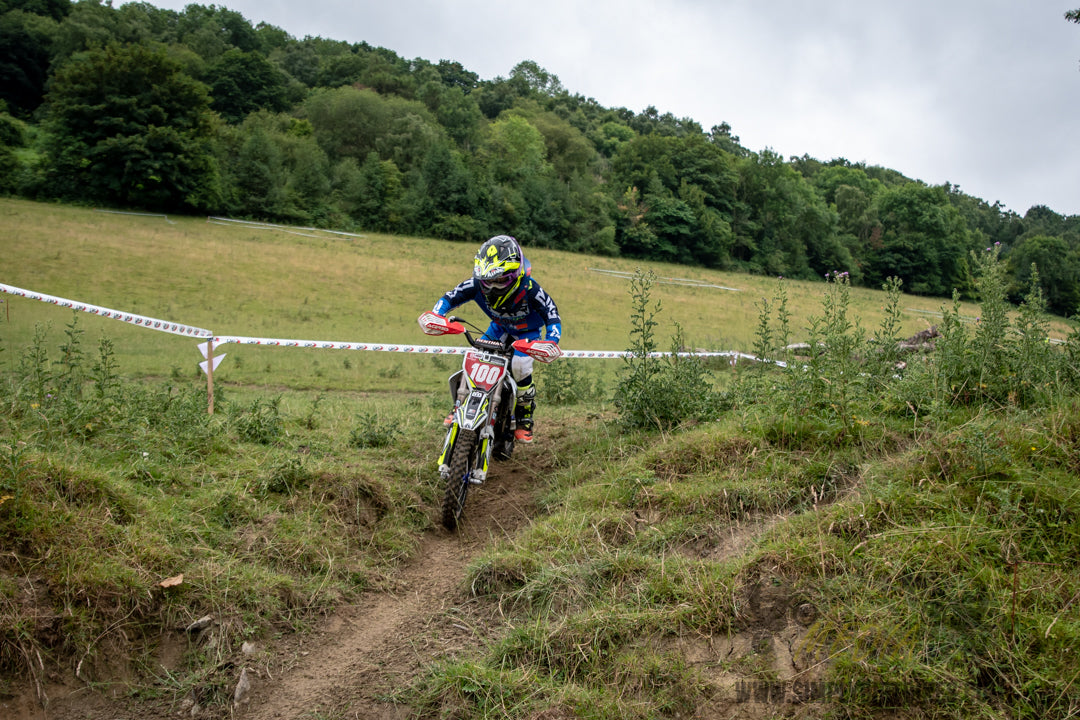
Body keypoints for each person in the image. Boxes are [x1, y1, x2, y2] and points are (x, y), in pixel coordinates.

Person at [419, 235, 562, 443]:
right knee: (475, 357)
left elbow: (552, 314)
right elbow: (451, 296)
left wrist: (551, 341)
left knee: (521, 366)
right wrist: (437, 315)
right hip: (498, 329)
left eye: (501, 280)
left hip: (527, 334)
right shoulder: (476, 284)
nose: (493, 286)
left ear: (515, 274)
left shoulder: (530, 288)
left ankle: (524, 416)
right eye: (488, 280)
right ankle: (460, 406)